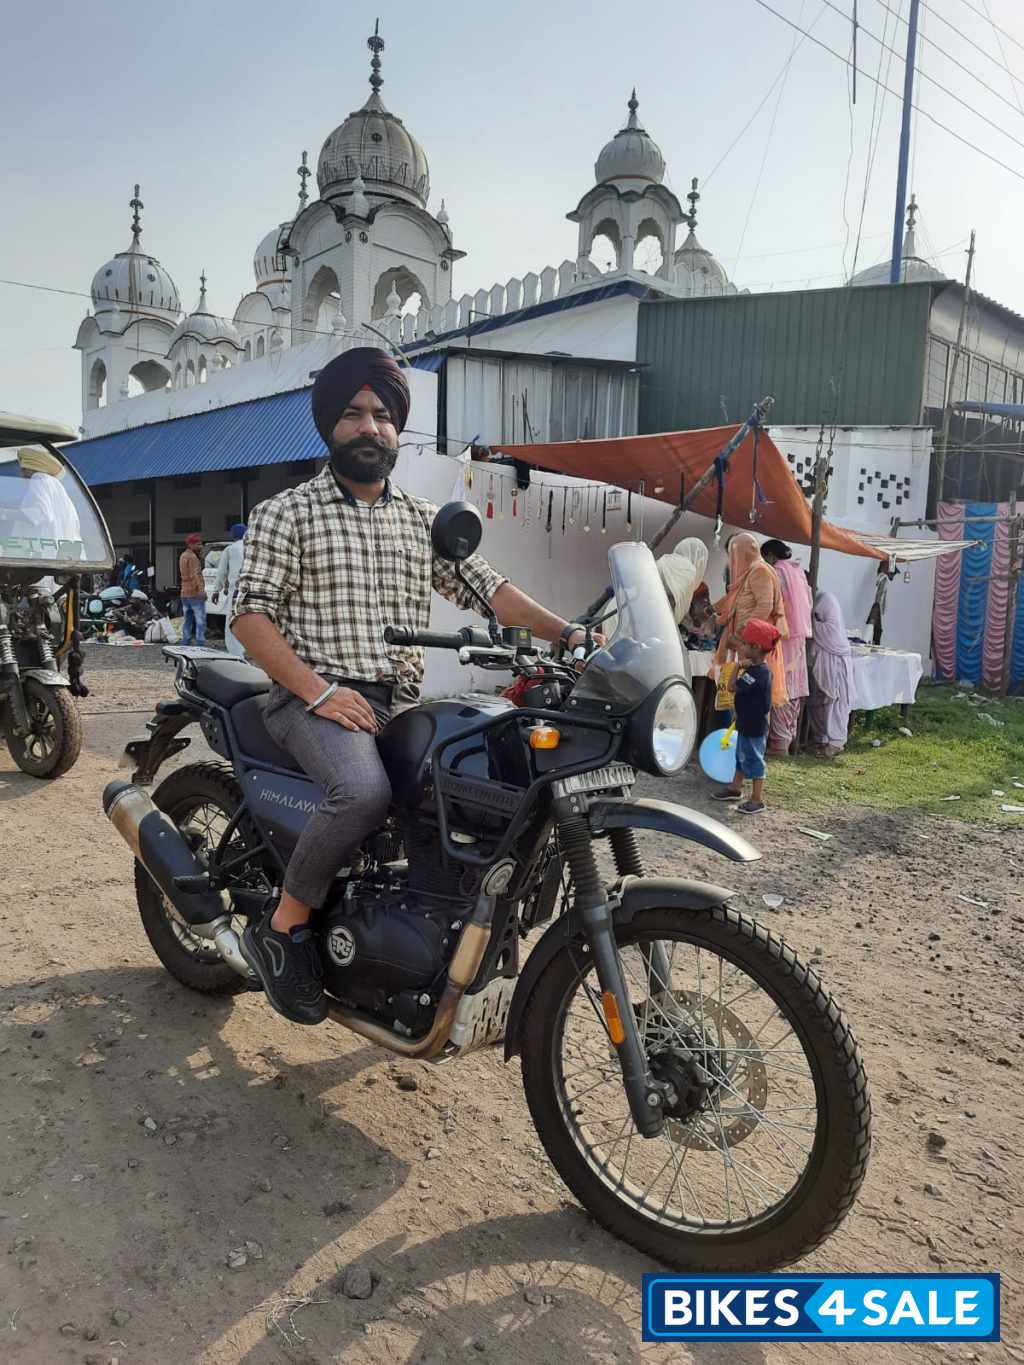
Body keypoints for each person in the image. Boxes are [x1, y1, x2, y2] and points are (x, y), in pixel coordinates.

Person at [231, 346, 597, 1026]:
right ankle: (282, 927)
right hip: (309, 696)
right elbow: (250, 617)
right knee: (363, 791)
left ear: (398, 429)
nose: (370, 427)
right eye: (353, 414)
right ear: (329, 427)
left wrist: (566, 633)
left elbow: (490, 590)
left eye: (382, 415)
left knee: (463, 788)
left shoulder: (418, 520)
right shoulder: (289, 511)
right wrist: (318, 692)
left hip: (392, 701)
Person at [711, 618, 780, 814]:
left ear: (756, 647)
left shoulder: (758, 673)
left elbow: (733, 687)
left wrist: (737, 667)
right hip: (745, 721)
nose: (741, 647)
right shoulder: (755, 670)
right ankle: (735, 788)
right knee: (741, 757)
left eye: (744, 644)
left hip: (754, 726)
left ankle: (757, 799)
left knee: (755, 759)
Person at [713, 531, 788, 709]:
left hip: (754, 644)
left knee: (752, 696)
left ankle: (749, 733)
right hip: (748, 643)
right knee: (744, 693)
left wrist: (743, 634)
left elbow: (765, 606)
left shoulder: (759, 571)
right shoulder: (752, 571)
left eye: (735, 555)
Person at [760, 538, 813, 755]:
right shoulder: (797, 571)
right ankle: (787, 738)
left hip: (783, 636)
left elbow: (771, 604)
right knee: (793, 687)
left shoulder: (777, 573)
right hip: (798, 637)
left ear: (771, 556)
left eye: (765, 558)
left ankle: (779, 743)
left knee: (781, 685)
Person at [602, 536, 708, 640]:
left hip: (620, 609)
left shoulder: (667, 560)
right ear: (701, 562)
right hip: (630, 619)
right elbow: (670, 610)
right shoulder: (688, 572)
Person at [809, 591, 857, 757]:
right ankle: (821, 739)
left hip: (836, 663)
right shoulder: (820, 603)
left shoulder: (827, 605)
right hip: (823, 662)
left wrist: (810, 621)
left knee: (836, 703)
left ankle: (835, 743)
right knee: (817, 701)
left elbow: (826, 630)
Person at [212, 523, 247, 657]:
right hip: (253, 592)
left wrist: (217, 590)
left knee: (232, 623)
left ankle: (236, 654)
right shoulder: (254, 547)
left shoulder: (231, 549)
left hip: (235, 592)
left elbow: (221, 572)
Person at [178, 532, 207, 647]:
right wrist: (201, 590)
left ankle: (185, 641)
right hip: (194, 592)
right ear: (191, 545)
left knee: (187, 619)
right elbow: (196, 574)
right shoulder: (193, 557)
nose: (200, 546)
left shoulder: (182, 555)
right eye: (198, 544)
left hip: (184, 592)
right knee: (200, 619)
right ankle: (200, 642)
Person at [866, 561, 898, 646]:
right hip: (877, 606)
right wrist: (877, 607)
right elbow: (879, 594)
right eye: (892, 573)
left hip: (876, 606)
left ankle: (873, 644)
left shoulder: (880, 577)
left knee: (876, 629)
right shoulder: (884, 578)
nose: (893, 576)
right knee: (876, 630)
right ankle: (874, 646)